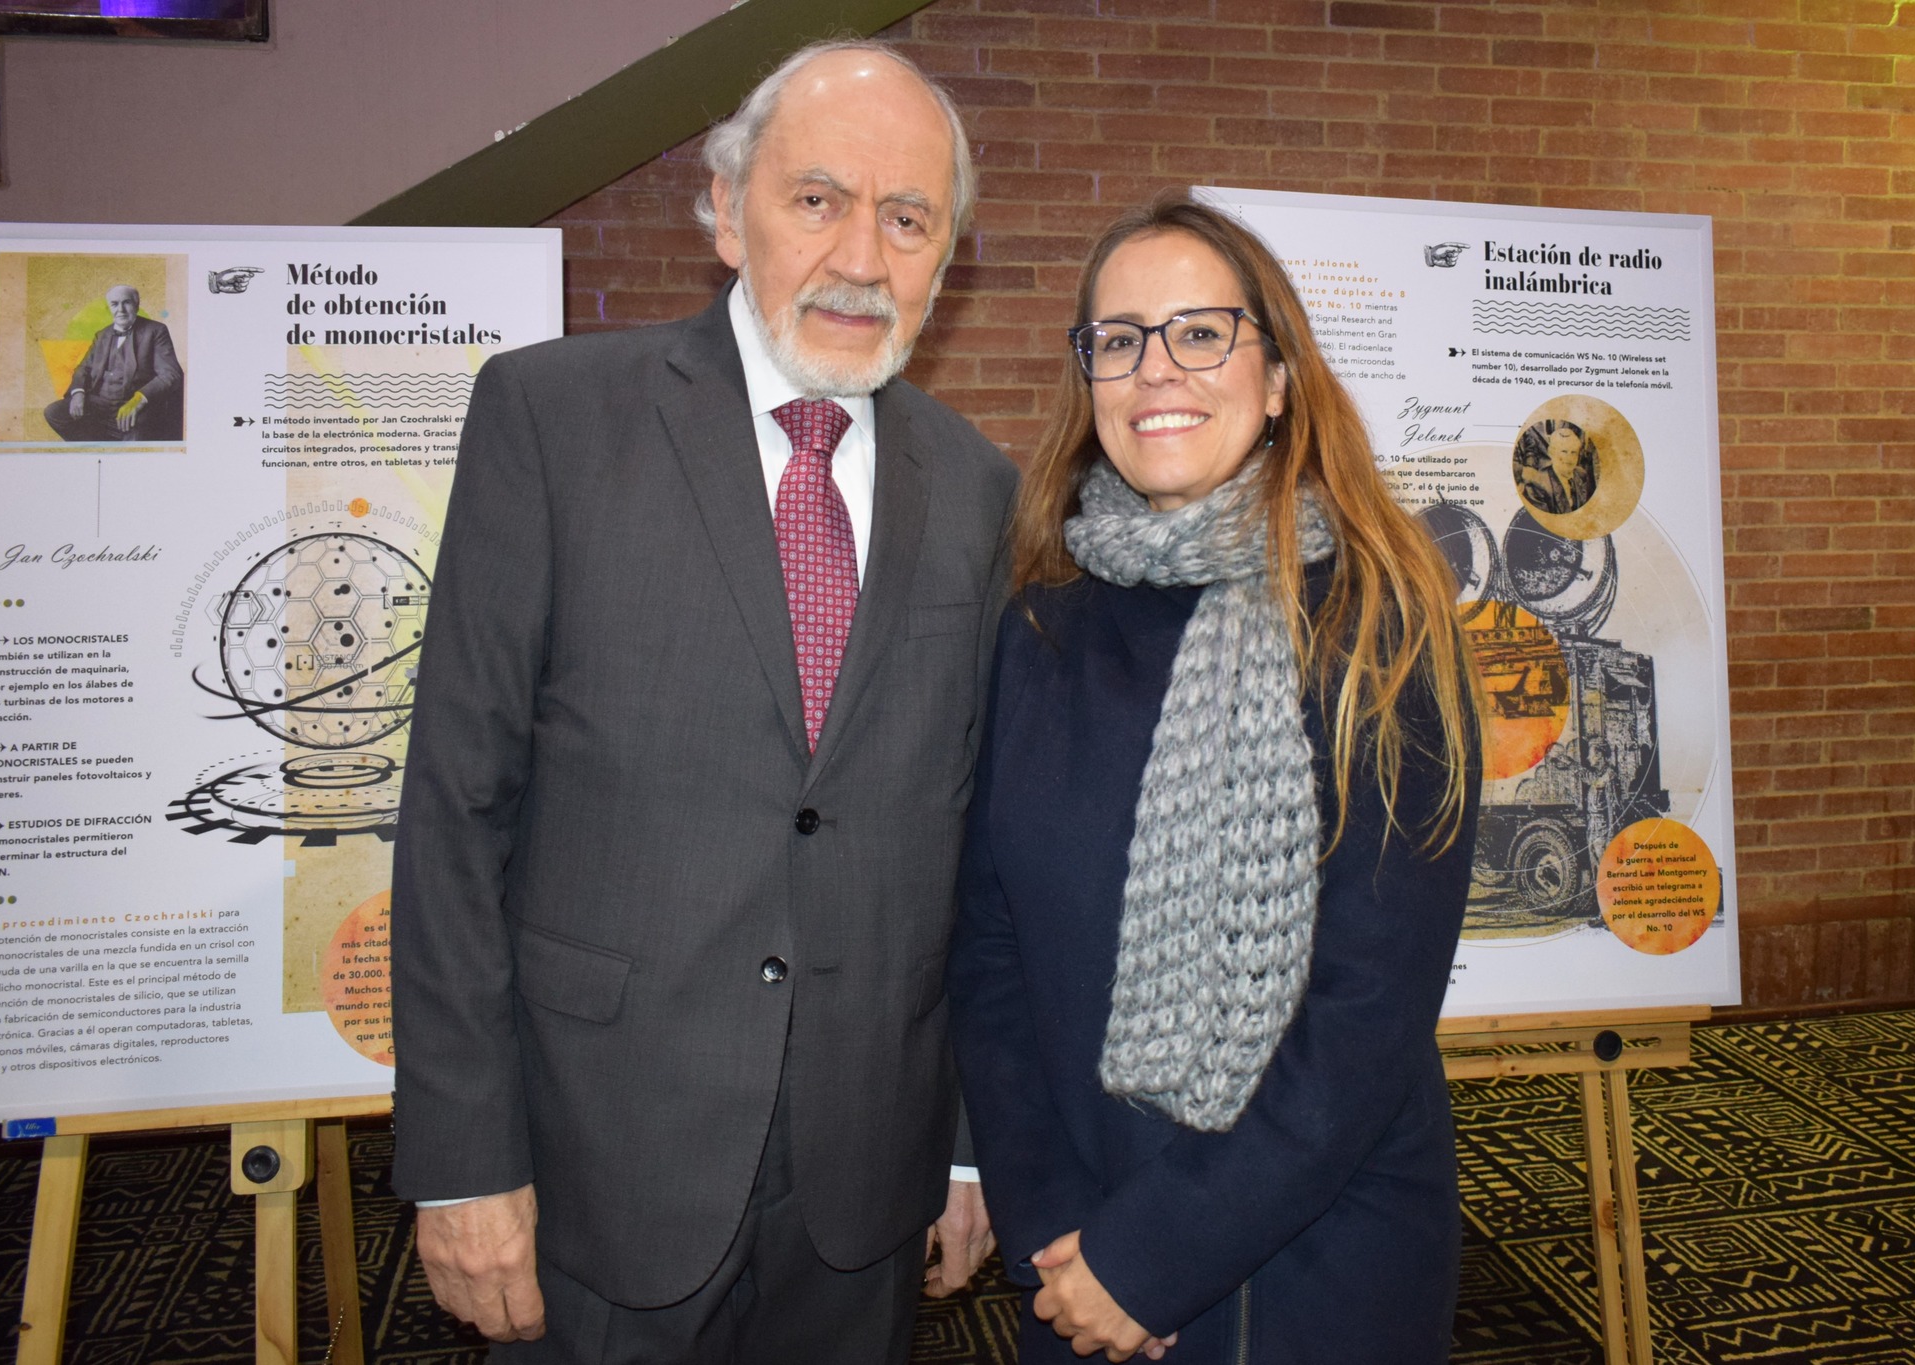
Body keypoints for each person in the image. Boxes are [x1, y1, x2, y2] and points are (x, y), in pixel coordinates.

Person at [389, 41, 1012, 1365]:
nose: (862, 256)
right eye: (817, 200)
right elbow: (453, 814)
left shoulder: (977, 489)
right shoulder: (552, 422)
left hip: (865, 1176)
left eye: (909, 219)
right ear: (727, 213)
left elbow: (974, 850)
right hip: (599, 1160)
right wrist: (462, 1159)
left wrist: (963, 1145)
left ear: (945, 257)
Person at [946, 192, 1483, 1364]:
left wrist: (1153, 1257)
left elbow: (1366, 1014)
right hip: (1073, 1251)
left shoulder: (1379, 629)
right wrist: (1054, 1227)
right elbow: (988, 952)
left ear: (1277, 376)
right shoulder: (1041, 621)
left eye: (1199, 332)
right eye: (1119, 339)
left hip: (1314, 1258)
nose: (1155, 369)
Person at [42, 284, 183, 441]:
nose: (120, 310)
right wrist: (78, 393)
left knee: (136, 438)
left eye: (126, 302)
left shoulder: (156, 331)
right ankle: (98, 447)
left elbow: (171, 373)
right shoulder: (102, 335)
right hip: (99, 405)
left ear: (136, 305)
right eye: (115, 304)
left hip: (134, 405)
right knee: (54, 413)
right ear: (109, 308)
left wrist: (138, 400)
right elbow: (84, 368)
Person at [1516, 421, 1597, 514]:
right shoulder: (1538, 485)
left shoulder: (1581, 475)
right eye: (1564, 451)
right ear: (1551, 453)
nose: (1569, 458)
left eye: (1574, 452)